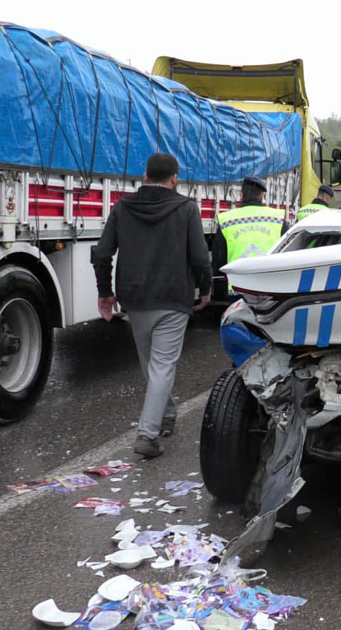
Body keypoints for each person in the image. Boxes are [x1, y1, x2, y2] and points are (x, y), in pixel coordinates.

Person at [92, 153, 212, 458]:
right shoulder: (186, 208)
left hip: (135, 299)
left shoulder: (122, 207)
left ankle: (167, 414)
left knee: (152, 365)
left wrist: (105, 292)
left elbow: (103, 253)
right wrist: (206, 289)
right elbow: (199, 256)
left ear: (145, 177)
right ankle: (147, 434)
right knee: (160, 367)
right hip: (173, 299)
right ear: (175, 179)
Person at [211, 175, 289, 294]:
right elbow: (287, 255)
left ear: (241, 195)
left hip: (238, 289)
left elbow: (219, 259)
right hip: (271, 289)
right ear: (262, 196)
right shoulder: (278, 218)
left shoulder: (226, 220)